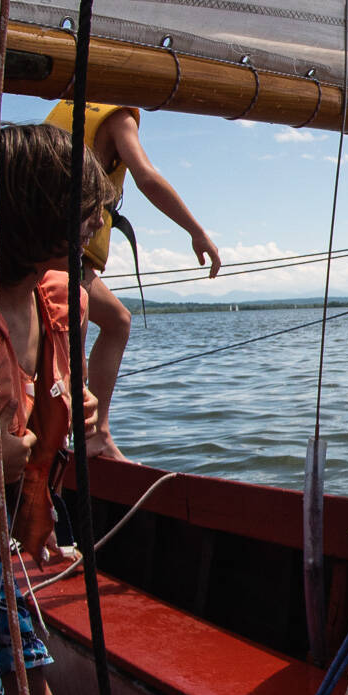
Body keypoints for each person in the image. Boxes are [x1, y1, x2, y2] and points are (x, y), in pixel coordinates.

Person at [0, 121, 111, 695]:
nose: (99, 223)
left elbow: (50, 399)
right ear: (40, 216)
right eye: (87, 210)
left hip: (1, 532)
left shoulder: (60, 297)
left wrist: (72, 401)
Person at [45, 101, 221, 460]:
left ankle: (88, 433)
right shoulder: (118, 114)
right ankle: (72, 439)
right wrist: (196, 231)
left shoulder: (68, 102)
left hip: (45, 246)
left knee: (114, 322)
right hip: (65, 250)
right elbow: (146, 177)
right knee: (72, 351)